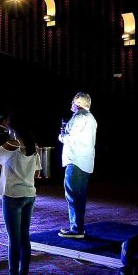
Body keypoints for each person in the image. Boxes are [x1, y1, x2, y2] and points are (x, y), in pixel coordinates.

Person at [0, 114, 41, 275]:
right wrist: (9, 164)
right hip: (29, 194)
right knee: (24, 238)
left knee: (13, 239)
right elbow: (36, 173)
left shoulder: (13, 144)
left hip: (13, 195)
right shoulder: (32, 146)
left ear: (13, 128)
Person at [58, 92, 97, 238]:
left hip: (75, 161)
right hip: (85, 162)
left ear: (78, 103)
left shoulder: (79, 117)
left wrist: (61, 136)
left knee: (73, 196)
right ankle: (78, 227)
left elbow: (71, 138)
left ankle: (76, 229)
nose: (71, 104)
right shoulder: (90, 117)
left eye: (73, 101)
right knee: (79, 197)